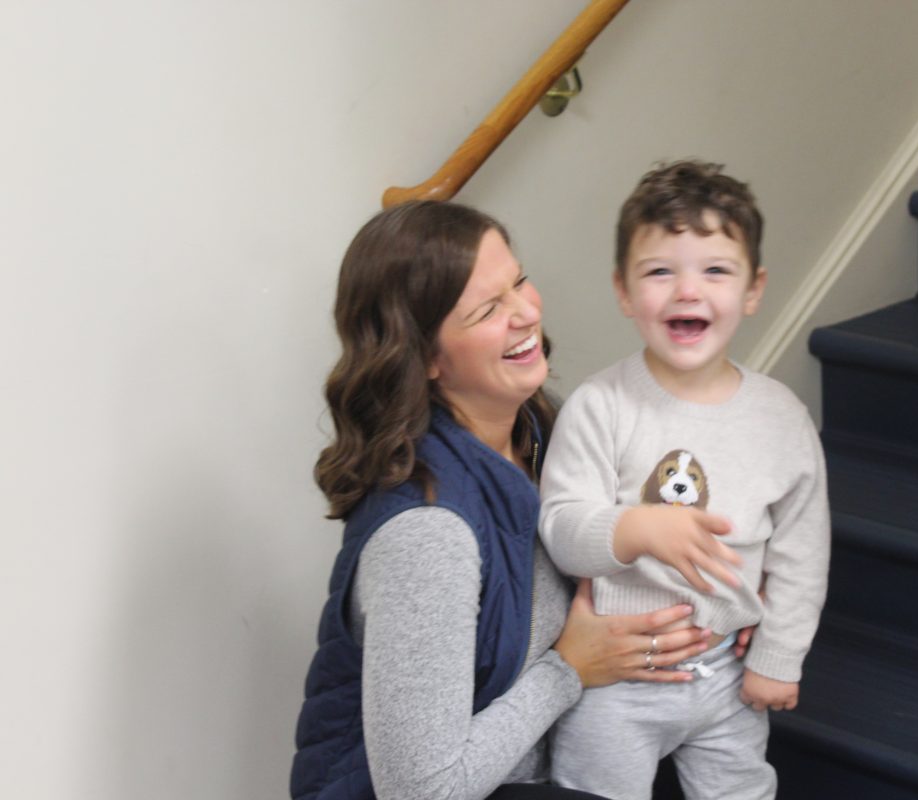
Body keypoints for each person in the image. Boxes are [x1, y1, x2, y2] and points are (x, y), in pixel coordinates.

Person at [290, 200, 716, 800]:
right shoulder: (427, 534)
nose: (526, 313)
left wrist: (728, 602)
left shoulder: (543, 430)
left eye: (518, 281)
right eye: (488, 310)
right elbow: (420, 790)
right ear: (428, 359)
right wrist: (568, 669)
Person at [538, 161, 832, 800]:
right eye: (660, 271)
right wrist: (634, 527)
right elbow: (561, 528)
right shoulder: (600, 405)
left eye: (716, 271)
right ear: (624, 290)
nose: (687, 292)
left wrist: (777, 657)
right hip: (616, 678)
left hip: (727, 675)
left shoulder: (781, 418)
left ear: (753, 290)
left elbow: (801, 552)